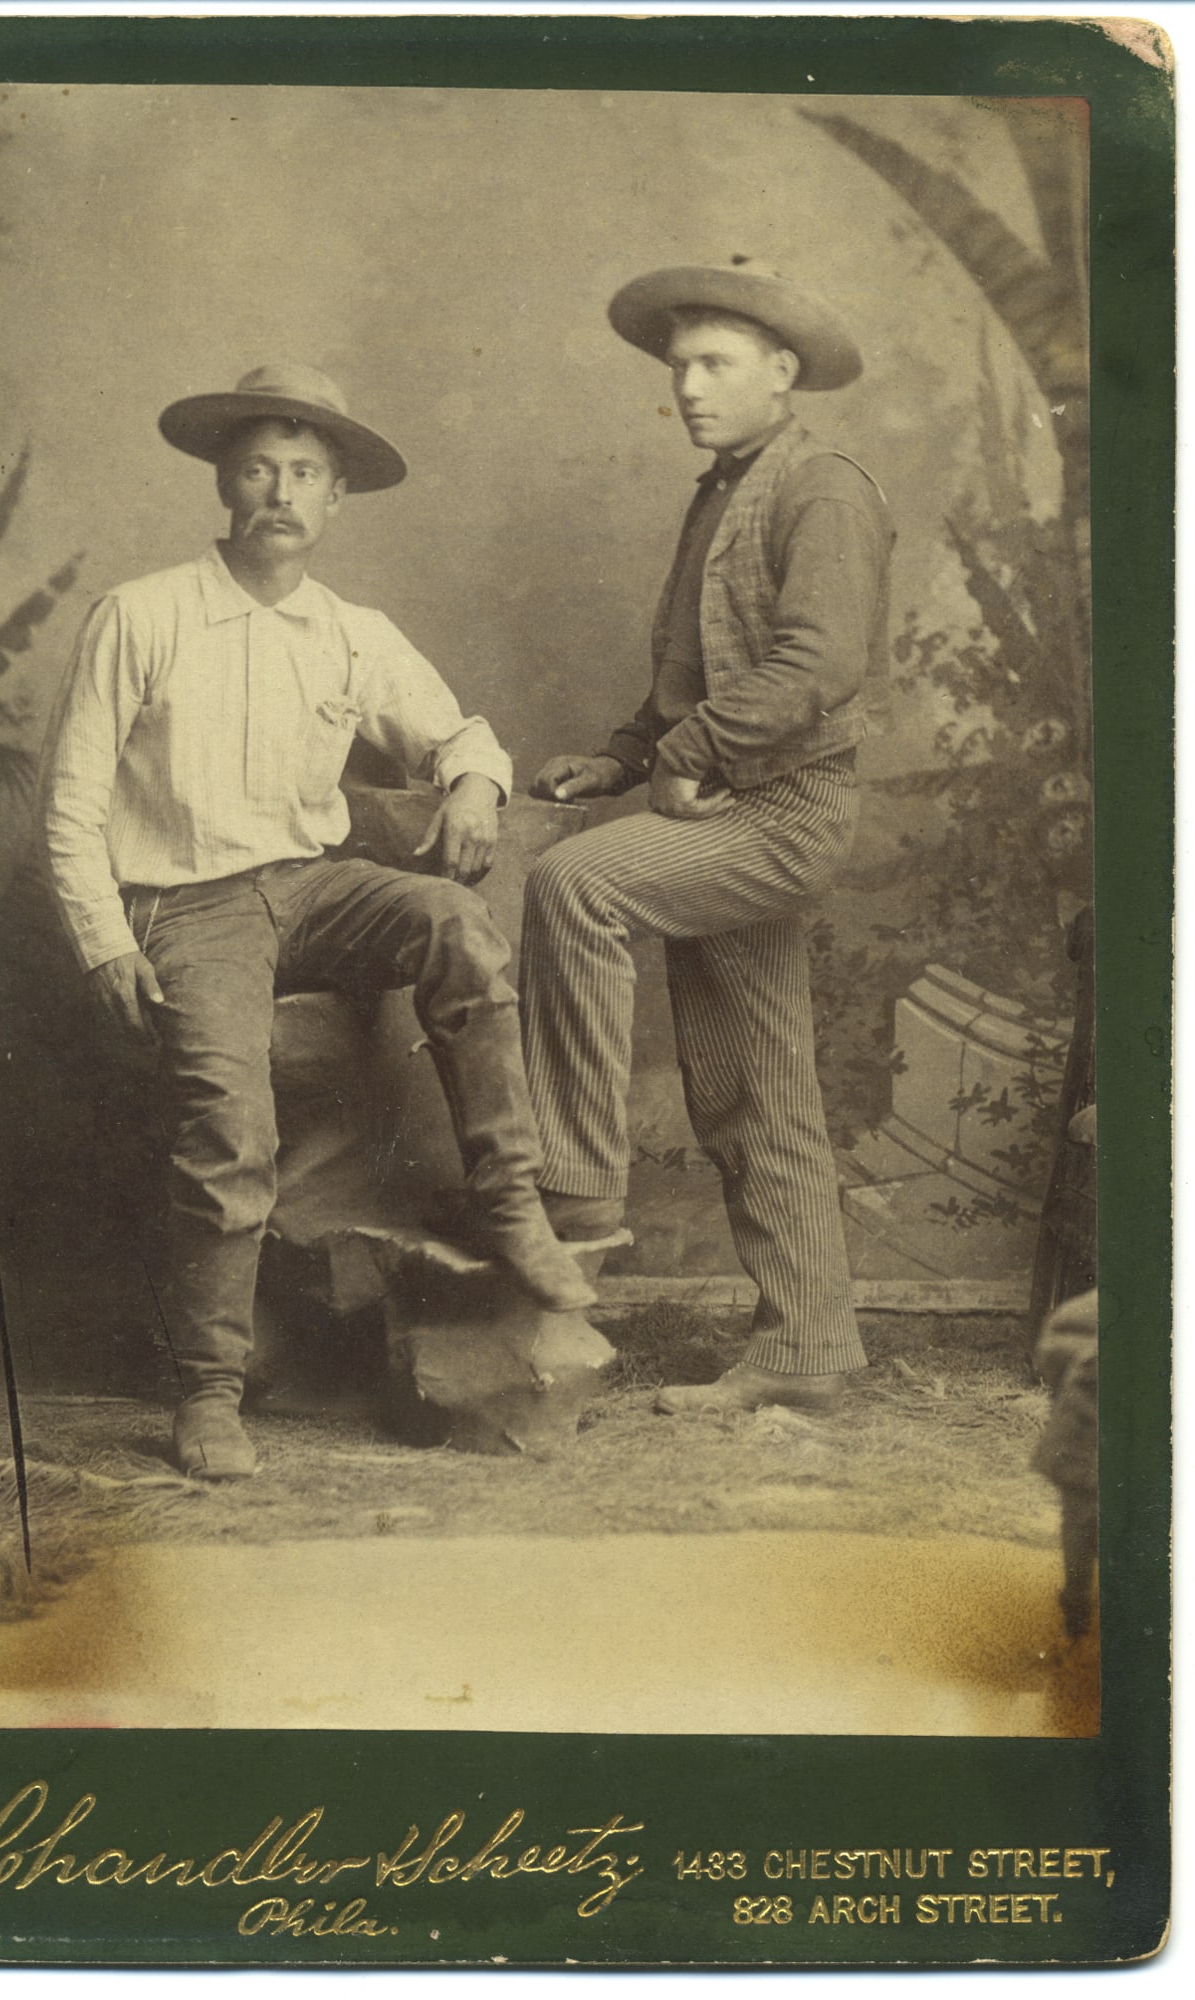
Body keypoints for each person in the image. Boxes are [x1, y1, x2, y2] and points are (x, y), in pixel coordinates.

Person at [42, 361, 594, 1481]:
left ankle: (510, 1199)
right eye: (259, 469)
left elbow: (459, 732)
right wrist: (105, 940)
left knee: (454, 922)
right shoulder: (142, 614)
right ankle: (210, 1390)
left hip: (312, 886)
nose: (281, 492)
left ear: (337, 498)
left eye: (305, 473)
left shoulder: (351, 631)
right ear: (224, 484)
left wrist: (474, 784)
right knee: (229, 1126)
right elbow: (71, 804)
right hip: (187, 904)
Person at [522, 260, 893, 1415]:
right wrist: (623, 756)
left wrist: (685, 754)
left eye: (714, 363)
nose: (687, 385)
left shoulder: (821, 488)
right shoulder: (722, 495)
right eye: (678, 365)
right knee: (751, 1082)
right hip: (728, 802)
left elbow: (819, 664)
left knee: (574, 882)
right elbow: (696, 674)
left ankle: (575, 1185)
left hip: (788, 808)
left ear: (781, 372)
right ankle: (809, 1347)